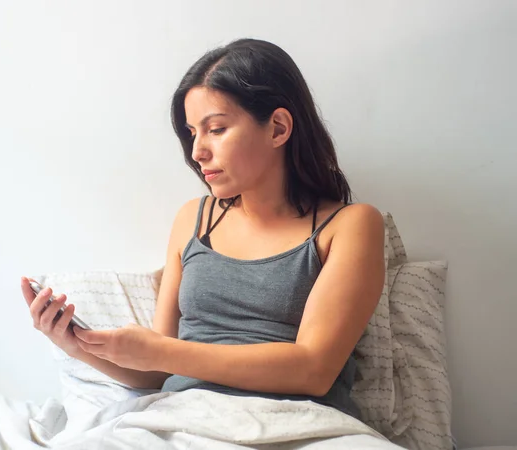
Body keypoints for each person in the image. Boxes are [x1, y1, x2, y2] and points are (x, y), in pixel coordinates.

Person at [20, 38, 384, 421]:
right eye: (193, 132)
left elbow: (314, 371)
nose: (197, 152)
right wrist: (77, 345)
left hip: (299, 424)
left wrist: (163, 352)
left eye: (216, 129)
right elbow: (158, 372)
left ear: (278, 128)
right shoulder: (193, 220)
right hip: (185, 419)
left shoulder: (350, 226)